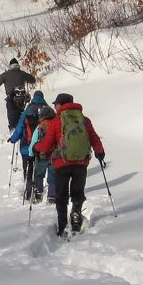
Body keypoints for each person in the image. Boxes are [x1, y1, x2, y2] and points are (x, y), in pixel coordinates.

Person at [31, 91, 105, 236]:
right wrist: (100, 152)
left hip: (61, 163)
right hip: (81, 162)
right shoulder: (84, 119)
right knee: (77, 192)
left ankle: (62, 225)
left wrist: (36, 148)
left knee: (61, 195)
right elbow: (94, 137)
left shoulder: (55, 122)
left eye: (56, 104)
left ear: (61, 104)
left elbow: (46, 145)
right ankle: (76, 215)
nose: (55, 107)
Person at [8, 91, 47, 200]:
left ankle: (28, 191)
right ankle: (39, 191)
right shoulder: (47, 110)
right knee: (39, 169)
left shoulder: (28, 110)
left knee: (28, 169)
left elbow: (20, 126)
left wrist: (13, 138)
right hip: (42, 146)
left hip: (26, 146)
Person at [0, 58, 37, 131]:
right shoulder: (23, 73)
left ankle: (13, 131)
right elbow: (33, 80)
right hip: (21, 99)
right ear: (17, 65)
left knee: (12, 117)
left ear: (10, 66)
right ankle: (21, 130)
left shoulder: (5, 75)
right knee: (20, 115)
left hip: (11, 98)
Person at [27, 103, 57, 204]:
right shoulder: (56, 124)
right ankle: (52, 196)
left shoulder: (40, 127)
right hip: (54, 155)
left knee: (39, 175)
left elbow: (34, 141)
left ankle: (38, 193)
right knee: (52, 176)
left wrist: (31, 154)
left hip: (41, 155)